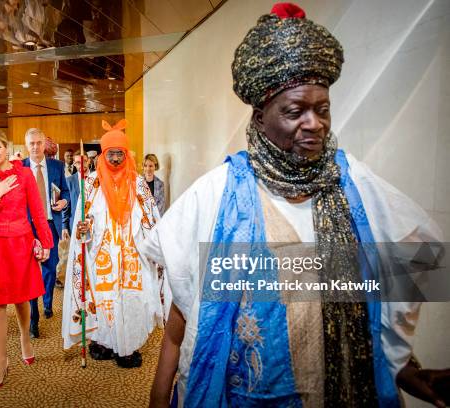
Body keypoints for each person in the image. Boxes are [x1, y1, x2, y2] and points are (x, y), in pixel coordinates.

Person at [145, 3, 449, 407]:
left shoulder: (356, 186)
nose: (315, 123)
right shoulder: (216, 197)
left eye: (322, 109)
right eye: (295, 111)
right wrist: (158, 398)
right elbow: (179, 323)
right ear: (259, 117)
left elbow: (412, 269)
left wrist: (401, 366)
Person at [62, 119, 164, 368]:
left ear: (126, 154)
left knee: (130, 301)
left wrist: (156, 247)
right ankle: (104, 342)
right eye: (111, 153)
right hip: (101, 259)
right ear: (103, 154)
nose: (116, 159)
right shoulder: (91, 184)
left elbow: (152, 221)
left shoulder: (138, 184)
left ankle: (127, 348)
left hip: (132, 260)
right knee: (103, 299)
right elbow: (81, 227)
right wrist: (83, 230)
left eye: (120, 153)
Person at [0, 128, 53, 391]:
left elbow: (38, 212)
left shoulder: (24, 173)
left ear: (7, 147)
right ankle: (0, 362)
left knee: (23, 297)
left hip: (21, 243)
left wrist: (47, 242)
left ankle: (25, 340)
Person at [22, 128, 70, 338]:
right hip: (27, 227)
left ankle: (48, 302)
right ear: (27, 145)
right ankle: (33, 319)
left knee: (50, 268)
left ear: (44, 144)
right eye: (31, 143)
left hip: (50, 225)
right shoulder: (20, 168)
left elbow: (66, 191)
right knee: (31, 271)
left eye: (38, 143)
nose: (35, 147)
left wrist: (64, 201)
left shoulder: (57, 166)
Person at [64, 153, 90, 236]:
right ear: (74, 164)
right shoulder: (69, 181)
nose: (82, 164)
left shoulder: (97, 178)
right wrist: (64, 226)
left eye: (84, 161)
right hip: (75, 224)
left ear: (89, 161)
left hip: (93, 224)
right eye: (78, 162)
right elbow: (66, 206)